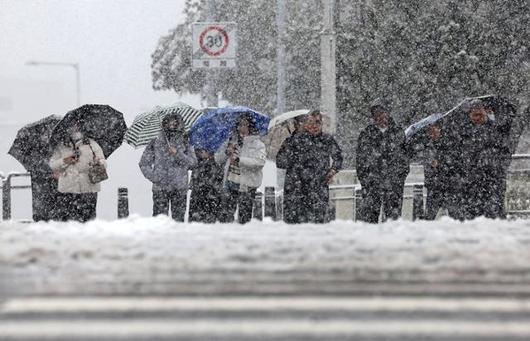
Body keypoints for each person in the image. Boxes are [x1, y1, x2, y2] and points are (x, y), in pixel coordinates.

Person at [276, 110, 343, 224]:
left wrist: (332, 171)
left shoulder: (327, 140)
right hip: (295, 189)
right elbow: (280, 161)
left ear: (321, 124)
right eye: (311, 122)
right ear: (306, 124)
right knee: (295, 223)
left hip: (318, 188)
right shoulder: (294, 140)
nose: (314, 126)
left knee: (317, 222)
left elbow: (339, 157)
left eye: (318, 122)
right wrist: (295, 162)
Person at [356, 104, 409, 223]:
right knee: (370, 218)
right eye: (377, 115)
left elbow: (405, 156)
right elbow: (360, 159)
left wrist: (400, 177)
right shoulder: (367, 133)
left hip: (393, 183)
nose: (381, 118)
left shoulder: (397, 132)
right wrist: (365, 180)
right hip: (372, 183)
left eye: (383, 114)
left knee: (393, 218)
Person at [139, 113, 197, 221]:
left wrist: (178, 154)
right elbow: (144, 163)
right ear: (164, 124)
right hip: (160, 188)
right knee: (159, 221)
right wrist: (155, 177)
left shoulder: (185, 141)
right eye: (169, 122)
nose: (172, 125)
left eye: (175, 122)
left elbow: (193, 163)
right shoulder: (155, 142)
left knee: (178, 221)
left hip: (179, 187)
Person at [459, 100, 510, 219]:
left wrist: (497, 165)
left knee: (494, 211)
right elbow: (460, 153)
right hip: (472, 180)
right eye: (474, 115)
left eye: (480, 114)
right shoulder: (465, 131)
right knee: (473, 213)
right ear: (470, 115)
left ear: (485, 112)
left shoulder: (496, 129)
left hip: (493, 178)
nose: (477, 118)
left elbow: (505, 150)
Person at [49, 123, 106, 222]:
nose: (75, 129)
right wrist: (65, 160)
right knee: (69, 221)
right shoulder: (61, 146)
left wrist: (99, 161)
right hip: (68, 189)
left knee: (88, 220)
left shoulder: (92, 144)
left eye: (78, 126)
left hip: (89, 188)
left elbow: (104, 163)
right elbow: (52, 165)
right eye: (73, 126)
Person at [216, 114, 266, 224]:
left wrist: (239, 160)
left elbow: (260, 162)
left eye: (245, 124)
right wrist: (226, 152)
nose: (242, 127)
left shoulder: (258, 144)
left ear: (250, 127)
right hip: (230, 182)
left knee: (244, 216)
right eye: (239, 124)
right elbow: (218, 159)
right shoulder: (230, 141)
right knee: (226, 215)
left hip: (247, 185)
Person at [189, 148, 223, 223]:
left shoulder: (216, 163)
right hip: (198, 191)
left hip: (212, 193)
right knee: (195, 218)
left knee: (210, 219)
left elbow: (221, 159)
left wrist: (210, 156)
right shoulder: (197, 163)